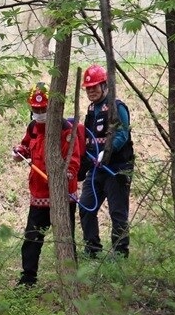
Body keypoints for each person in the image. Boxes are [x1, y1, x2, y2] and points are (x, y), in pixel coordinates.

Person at [12, 83, 84, 286]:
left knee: (65, 239)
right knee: (32, 238)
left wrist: (63, 178)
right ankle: (28, 279)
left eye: (43, 109)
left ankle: (70, 279)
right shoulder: (32, 127)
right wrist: (20, 151)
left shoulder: (65, 130)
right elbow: (26, 145)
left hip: (62, 196)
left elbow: (74, 161)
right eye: (36, 110)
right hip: (38, 194)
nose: (39, 113)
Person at [77, 64, 135, 258]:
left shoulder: (117, 107)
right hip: (96, 168)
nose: (91, 91)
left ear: (104, 85)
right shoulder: (91, 109)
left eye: (95, 87)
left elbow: (122, 133)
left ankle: (120, 254)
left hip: (117, 168)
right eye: (88, 88)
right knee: (85, 206)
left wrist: (107, 152)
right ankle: (92, 250)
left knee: (118, 213)